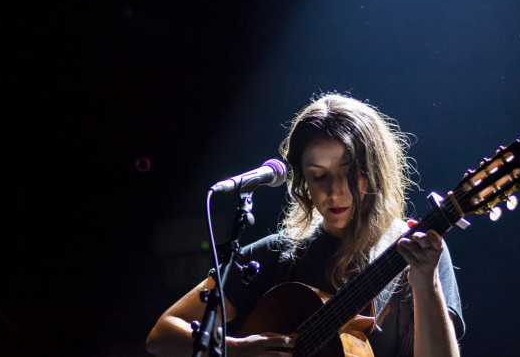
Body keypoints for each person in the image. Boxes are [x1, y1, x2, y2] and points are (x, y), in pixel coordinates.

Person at [146, 93, 464, 357]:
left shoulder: (417, 251)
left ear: (374, 171)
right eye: (318, 175)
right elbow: (163, 333)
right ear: (303, 182)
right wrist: (236, 349)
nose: (334, 191)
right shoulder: (274, 255)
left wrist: (427, 284)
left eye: (349, 171)